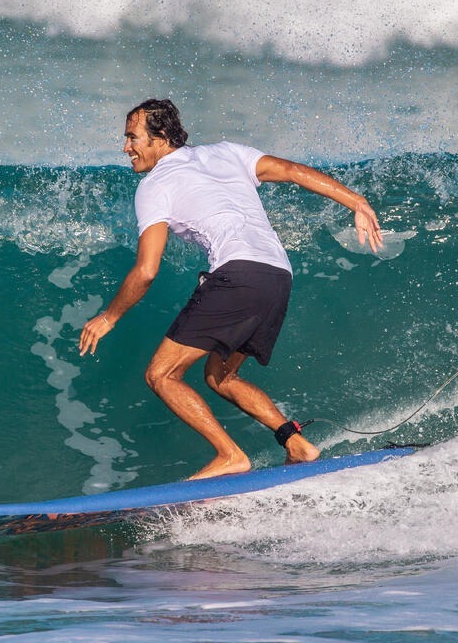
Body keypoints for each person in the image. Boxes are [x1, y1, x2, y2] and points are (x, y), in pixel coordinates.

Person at [79, 98, 383, 480]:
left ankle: (229, 456)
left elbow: (146, 270)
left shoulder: (155, 184)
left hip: (237, 274)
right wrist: (356, 201)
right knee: (219, 375)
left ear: (160, 138)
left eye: (132, 138)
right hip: (277, 275)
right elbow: (289, 170)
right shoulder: (225, 152)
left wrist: (109, 318)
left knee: (161, 375)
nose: (126, 148)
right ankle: (296, 443)